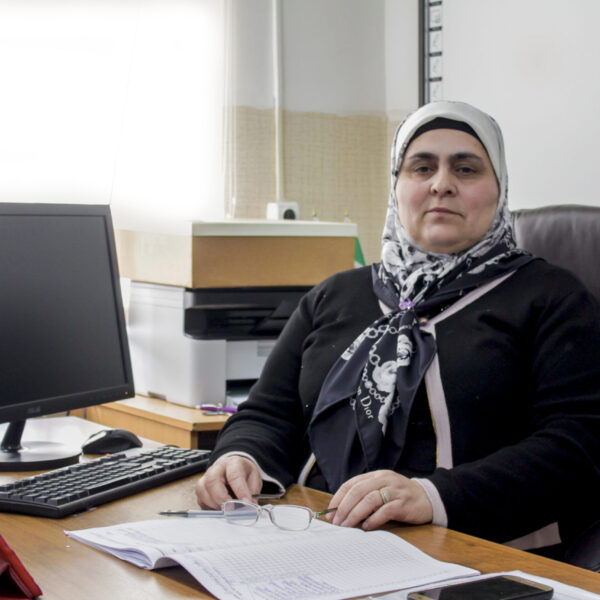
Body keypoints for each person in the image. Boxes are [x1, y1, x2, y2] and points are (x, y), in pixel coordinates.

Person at [196, 100, 600, 554]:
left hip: (478, 549)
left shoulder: (552, 298)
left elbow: (578, 444)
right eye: (421, 168)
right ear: (397, 187)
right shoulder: (334, 295)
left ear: (499, 188)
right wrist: (241, 457)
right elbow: (268, 413)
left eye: (466, 169)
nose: (441, 184)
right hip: (312, 536)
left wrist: (433, 496)